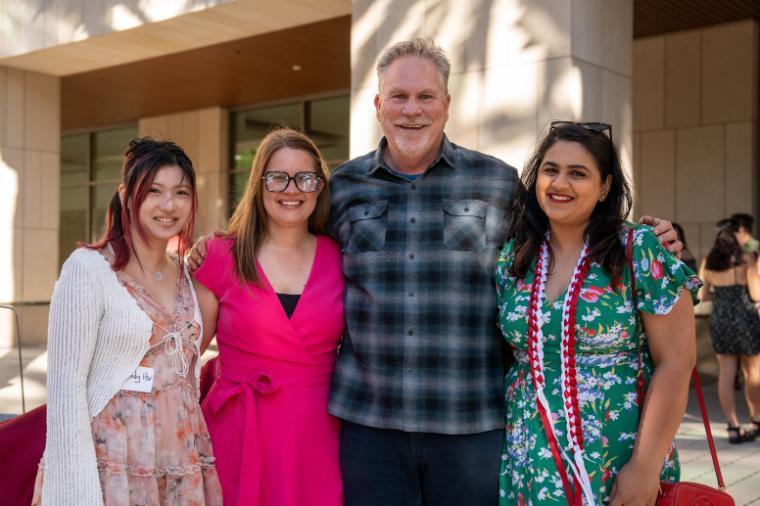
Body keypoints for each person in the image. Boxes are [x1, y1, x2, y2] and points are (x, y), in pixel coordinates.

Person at [188, 38, 681, 506]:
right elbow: (287, 231)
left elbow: (563, 225)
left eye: (426, 96)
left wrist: (645, 235)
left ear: (447, 104)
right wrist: (219, 246)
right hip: (369, 427)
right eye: (399, 96)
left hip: (470, 424)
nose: (412, 109)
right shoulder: (343, 187)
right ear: (379, 104)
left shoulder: (498, 182)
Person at [496, 122, 701, 506]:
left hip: (618, 459)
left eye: (578, 173)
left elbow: (676, 362)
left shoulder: (638, 248)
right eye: (551, 169)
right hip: (530, 460)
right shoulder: (514, 257)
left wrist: (645, 466)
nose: (560, 183)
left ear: (605, 187)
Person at [33, 138, 222, 505]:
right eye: (153, 190)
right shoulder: (88, 269)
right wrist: (74, 493)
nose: (169, 205)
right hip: (111, 464)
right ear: (125, 195)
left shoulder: (189, 278)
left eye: (181, 192)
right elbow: (65, 389)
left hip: (179, 461)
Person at [192, 128, 344, 506]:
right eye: (278, 177)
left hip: (317, 436)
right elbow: (183, 356)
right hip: (236, 431)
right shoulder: (220, 254)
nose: (291, 190)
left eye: (305, 178)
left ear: (319, 187)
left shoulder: (341, 256)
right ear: (259, 183)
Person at [699, 218, 760, 443]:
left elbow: (703, 295)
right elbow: (756, 294)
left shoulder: (708, 262)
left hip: (720, 319)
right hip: (745, 319)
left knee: (725, 373)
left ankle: (732, 425)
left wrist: (721, 295)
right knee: (752, 373)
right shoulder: (746, 259)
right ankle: (755, 419)